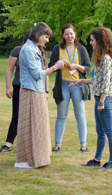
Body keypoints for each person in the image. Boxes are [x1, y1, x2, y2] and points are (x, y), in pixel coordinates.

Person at [15, 22, 64, 168]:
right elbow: (37, 75)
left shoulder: (33, 48)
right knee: (32, 127)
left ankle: (32, 159)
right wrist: (55, 67)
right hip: (31, 92)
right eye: (46, 37)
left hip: (36, 91)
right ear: (38, 35)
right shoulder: (29, 50)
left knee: (37, 127)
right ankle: (28, 160)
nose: (47, 40)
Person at [69, 27, 112, 170]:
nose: (90, 43)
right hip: (100, 98)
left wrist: (102, 101)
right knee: (100, 132)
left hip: (105, 100)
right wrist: (81, 81)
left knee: (109, 131)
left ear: (100, 41)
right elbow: (97, 80)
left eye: (92, 40)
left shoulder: (107, 59)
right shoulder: (100, 59)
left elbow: (107, 83)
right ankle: (97, 159)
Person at [49, 23, 91, 152]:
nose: (69, 36)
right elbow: (51, 66)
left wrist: (77, 66)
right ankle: (57, 144)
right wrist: (58, 63)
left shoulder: (81, 49)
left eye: (71, 33)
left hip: (78, 85)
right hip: (63, 85)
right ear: (63, 35)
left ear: (75, 34)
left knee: (80, 115)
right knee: (61, 116)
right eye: (66, 34)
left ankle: (83, 145)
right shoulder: (57, 48)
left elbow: (88, 69)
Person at [0, 29, 31, 153]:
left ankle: (29, 144)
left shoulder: (39, 51)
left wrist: (45, 91)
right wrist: (8, 88)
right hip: (19, 87)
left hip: (33, 89)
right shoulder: (17, 50)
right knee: (16, 115)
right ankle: (8, 144)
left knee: (31, 117)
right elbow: (9, 69)